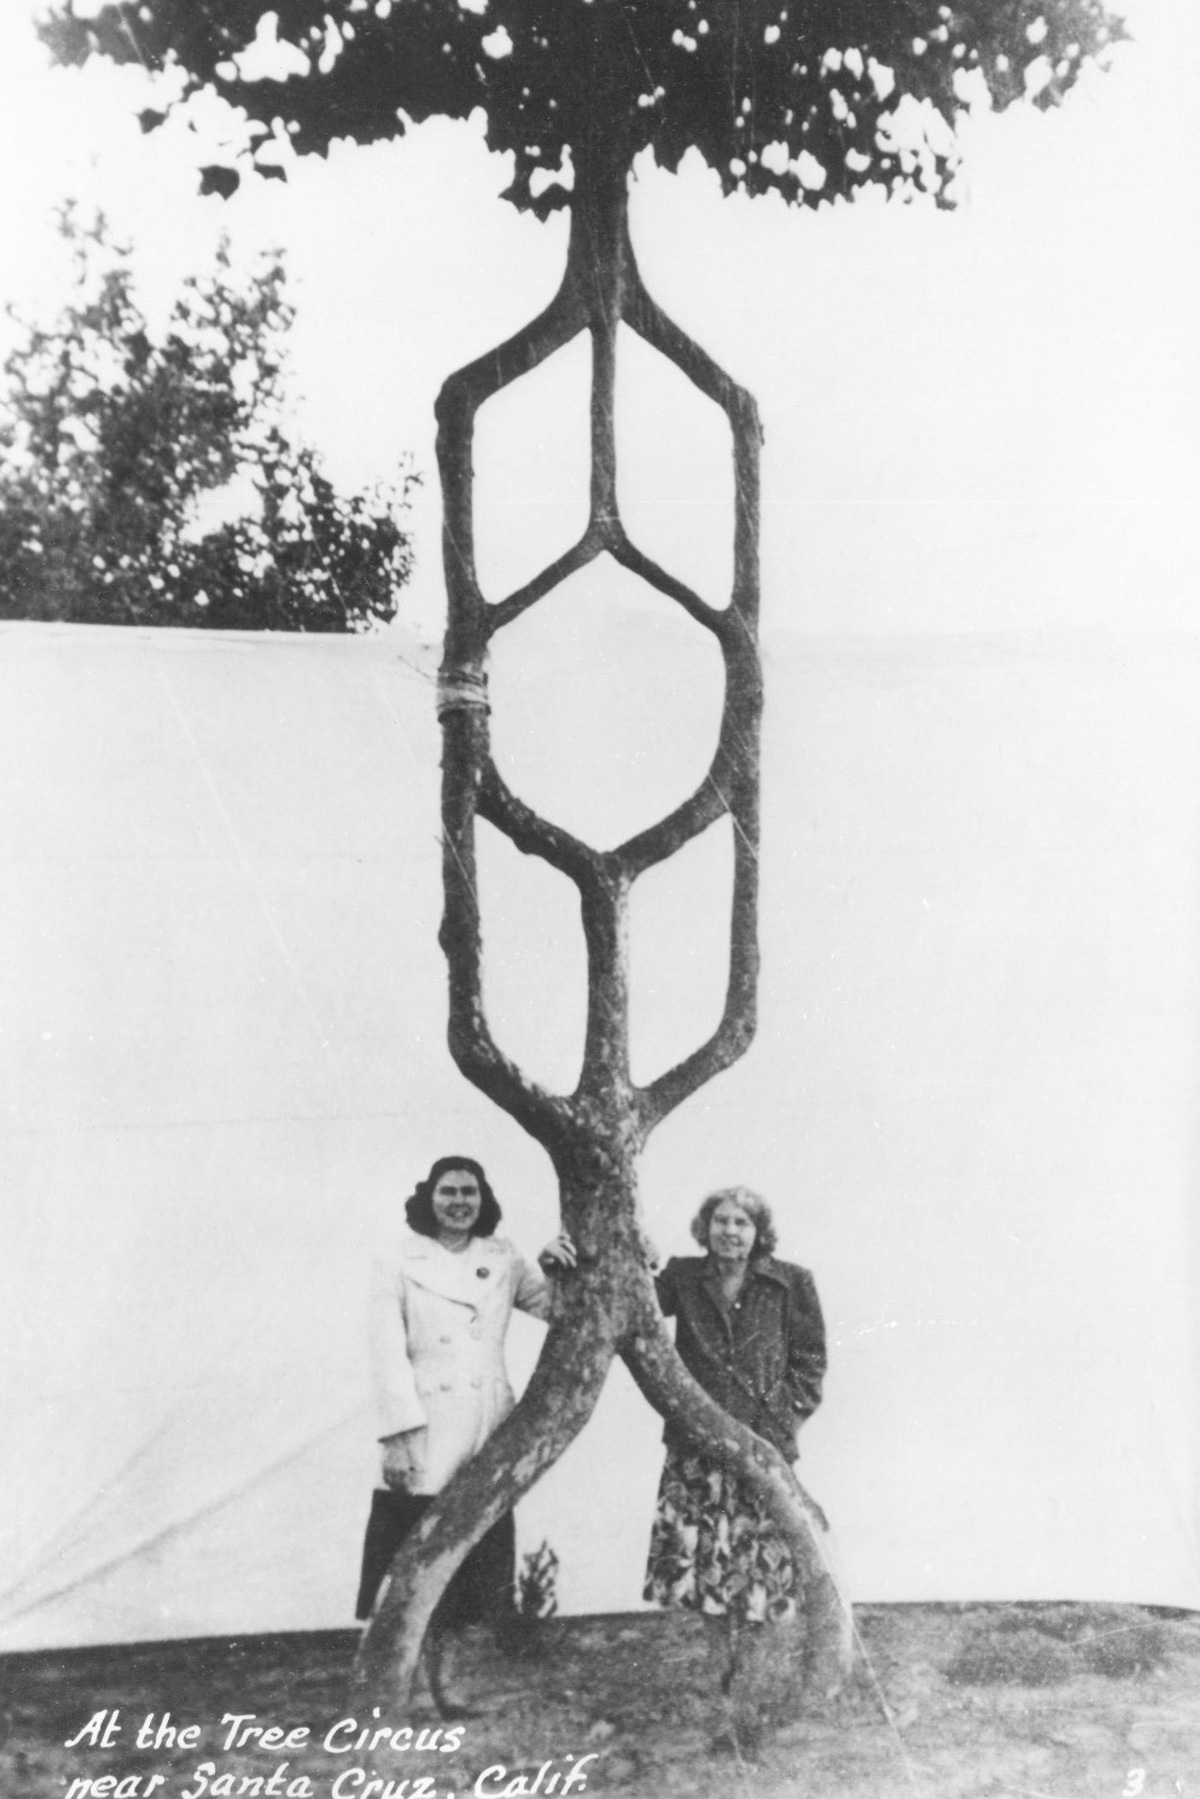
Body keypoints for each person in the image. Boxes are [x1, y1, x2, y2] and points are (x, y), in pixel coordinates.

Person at [356, 1155, 574, 1700]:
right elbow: (385, 1353)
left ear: (484, 1199)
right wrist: (398, 1434)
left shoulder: (501, 1256)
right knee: (412, 1557)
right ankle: (390, 1680)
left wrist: (557, 1265)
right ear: (428, 1197)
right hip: (427, 1427)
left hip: (487, 1427)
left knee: (469, 1564)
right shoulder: (397, 1258)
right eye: (449, 1192)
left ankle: (444, 1684)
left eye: (469, 1193)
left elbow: (556, 1310)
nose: (459, 1202)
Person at [643, 1185, 826, 1745]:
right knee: (707, 1573)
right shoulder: (680, 1278)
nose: (730, 1231)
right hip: (697, 1453)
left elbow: (811, 1363)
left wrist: (779, 1422)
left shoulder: (791, 1282)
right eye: (720, 1221)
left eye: (742, 1223)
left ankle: (753, 1698)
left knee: (765, 1577)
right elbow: (632, 1309)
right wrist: (637, 1257)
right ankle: (721, 1680)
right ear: (705, 1229)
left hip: (761, 1454)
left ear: (758, 1231)